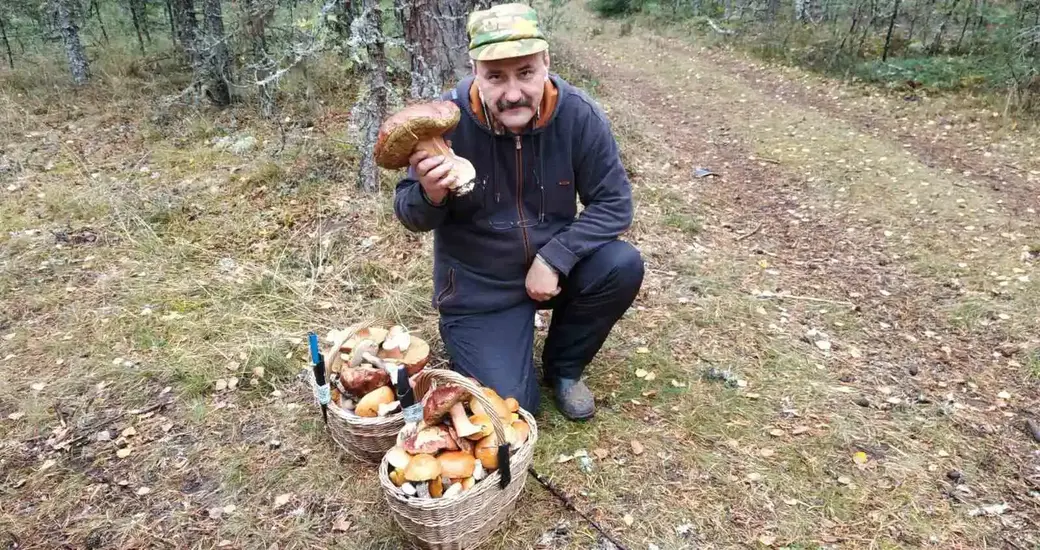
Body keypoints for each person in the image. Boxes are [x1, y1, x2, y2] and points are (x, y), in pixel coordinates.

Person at [392, 2, 644, 420]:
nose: (512, 93)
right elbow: (409, 213)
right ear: (475, 71)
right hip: (479, 287)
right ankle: (484, 344)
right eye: (495, 76)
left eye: (525, 72)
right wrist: (430, 193)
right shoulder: (443, 122)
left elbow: (615, 203)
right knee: (512, 410)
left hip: (553, 271)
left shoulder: (577, 115)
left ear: (546, 62)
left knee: (621, 264)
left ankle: (563, 368)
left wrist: (554, 257)